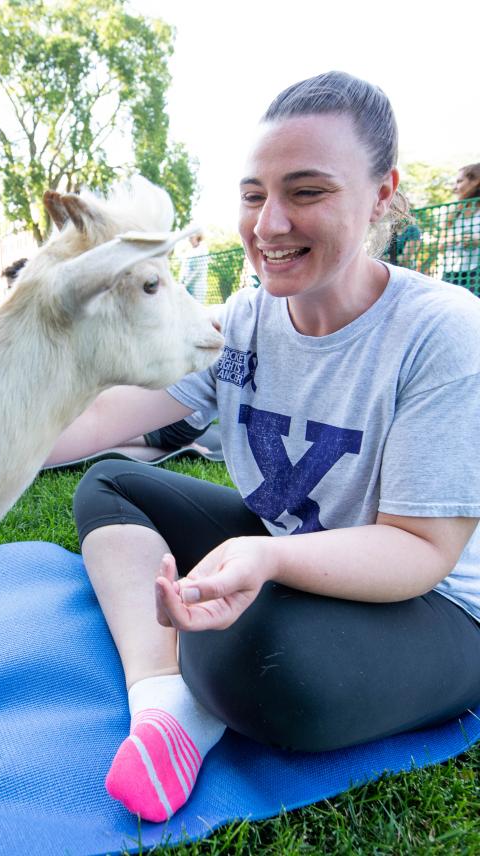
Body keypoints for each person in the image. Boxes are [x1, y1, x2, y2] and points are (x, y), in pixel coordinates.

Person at [46, 71, 480, 823]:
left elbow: (421, 549)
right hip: (289, 550)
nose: (269, 224)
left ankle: (210, 681)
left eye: (306, 192)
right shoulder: (243, 320)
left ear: (382, 194)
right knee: (112, 484)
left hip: (434, 605)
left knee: (257, 657)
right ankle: (165, 705)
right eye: (253, 195)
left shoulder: (443, 333)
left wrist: (268, 559)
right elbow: (100, 420)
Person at [443, 163, 480, 294]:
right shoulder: (453, 213)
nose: (455, 187)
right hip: (450, 272)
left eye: (459, 181)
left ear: (476, 181)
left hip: (475, 274)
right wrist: (450, 240)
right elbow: (441, 243)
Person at [180, 231, 209, 302]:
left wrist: (187, 283)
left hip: (198, 287)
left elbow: (198, 270)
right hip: (186, 287)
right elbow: (184, 268)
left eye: (191, 237)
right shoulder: (189, 251)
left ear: (197, 236)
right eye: (189, 237)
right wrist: (181, 282)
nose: (189, 239)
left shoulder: (203, 249)